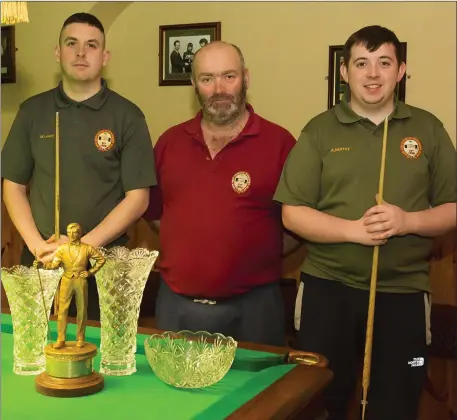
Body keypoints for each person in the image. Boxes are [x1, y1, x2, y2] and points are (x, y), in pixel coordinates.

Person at [274, 25, 456, 420]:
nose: (373, 74)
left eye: (384, 63)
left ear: (401, 70)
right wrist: (353, 231)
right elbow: (293, 212)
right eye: (362, 63)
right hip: (328, 290)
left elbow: (452, 207)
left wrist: (407, 221)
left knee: (396, 404)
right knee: (320, 402)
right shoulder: (319, 130)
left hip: (403, 293)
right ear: (345, 72)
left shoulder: (428, 129)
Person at [143, 41, 300, 346]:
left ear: (246, 77)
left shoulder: (280, 143)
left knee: (261, 394)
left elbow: (297, 225)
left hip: (256, 309)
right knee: (176, 392)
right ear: (194, 85)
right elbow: (155, 214)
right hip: (177, 307)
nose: (219, 88)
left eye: (229, 76)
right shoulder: (169, 142)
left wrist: (254, 253)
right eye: (207, 78)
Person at [2, 13, 157, 321]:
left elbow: (138, 198)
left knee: (99, 359)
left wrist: (80, 248)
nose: (81, 53)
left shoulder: (128, 116)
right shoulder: (32, 111)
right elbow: (13, 187)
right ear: (58, 53)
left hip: (104, 265)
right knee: (39, 354)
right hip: (41, 260)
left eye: (91, 45)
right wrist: (36, 245)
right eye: (71, 44)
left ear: (105, 56)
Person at [34, 223, 105, 349]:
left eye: (75, 232)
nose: (72, 235)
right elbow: (54, 265)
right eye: (69, 232)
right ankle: (61, 338)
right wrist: (43, 265)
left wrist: (90, 272)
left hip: (81, 281)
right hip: (66, 280)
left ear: (80, 233)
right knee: (62, 311)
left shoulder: (87, 248)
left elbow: (101, 260)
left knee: (82, 311)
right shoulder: (62, 249)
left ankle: (80, 338)